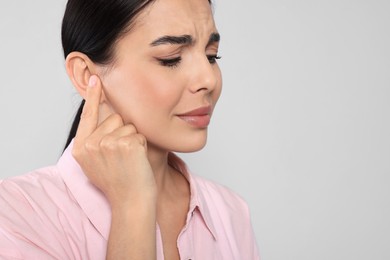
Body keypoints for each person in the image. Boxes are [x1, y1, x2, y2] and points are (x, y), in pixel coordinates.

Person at [0, 0, 259, 259]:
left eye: (212, 56)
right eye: (171, 59)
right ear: (86, 74)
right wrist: (132, 206)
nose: (209, 79)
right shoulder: (16, 214)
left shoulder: (230, 212)